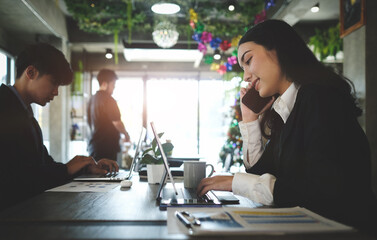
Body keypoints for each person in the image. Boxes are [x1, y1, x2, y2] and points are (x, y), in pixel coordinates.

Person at [197, 20, 377, 234]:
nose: (245, 76)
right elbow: (265, 175)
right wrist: (250, 118)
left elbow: (322, 191)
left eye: (248, 60)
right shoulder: (287, 108)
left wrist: (236, 183)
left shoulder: (319, 98)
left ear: (277, 49)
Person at [0, 43, 118, 211]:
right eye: (53, 83)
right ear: (31, 73)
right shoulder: (4, 109)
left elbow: (43, 166)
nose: (56, 92)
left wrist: (82, 168)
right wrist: (67, 169)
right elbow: (17, 179)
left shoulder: (25, 113)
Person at [87, 69, 130, 162]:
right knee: (107, 174)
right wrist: (126, 135)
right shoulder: (109, 100)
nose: (113, 88)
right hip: (106, 149)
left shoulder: (92, 99)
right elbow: (117, 122)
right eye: (113, 85)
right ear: (105, 83)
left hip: (94, 148)